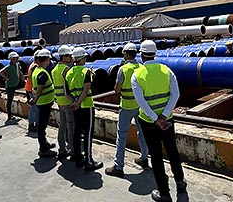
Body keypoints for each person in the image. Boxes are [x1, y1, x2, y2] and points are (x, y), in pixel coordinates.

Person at [132, 40, 187, 202]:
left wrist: (155, 119)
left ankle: (164, 193)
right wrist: (164, 115)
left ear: (142, 55)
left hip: (148, 123)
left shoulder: (137, 75)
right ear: (154, 53)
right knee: (172, 151)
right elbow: (175, 95)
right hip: (167, 121)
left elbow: (141, 102)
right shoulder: (167, 70)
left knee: (156, 156)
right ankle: (180, 182)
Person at [105, 42, 150, 177]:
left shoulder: (123, 69)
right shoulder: (142, 67)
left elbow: (117, 89)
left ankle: (118, 166)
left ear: (125, 54)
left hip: (126, 106)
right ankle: (144, 159)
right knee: (142, 133)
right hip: (140, 106)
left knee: (122, 136)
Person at [65, 46, 103, 171]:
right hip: (86, 106)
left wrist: (74, 103)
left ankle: (78, 158)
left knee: (77, 132)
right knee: (88, 133)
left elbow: (67, 93)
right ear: (82, 59)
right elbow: (86, 89)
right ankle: (88, 160)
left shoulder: (68, 73)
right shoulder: (86, 71)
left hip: (76, 107)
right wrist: (79, 102)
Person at [29, 48, 58, 157]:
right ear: (43, 60)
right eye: (48, 60)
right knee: (41, 126)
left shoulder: (36, 70)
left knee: (42, 126)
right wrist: (34, 100)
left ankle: (45, 144)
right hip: (44, 102)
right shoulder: (42, 73)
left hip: (43, 102)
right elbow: (40, 89)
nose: (49, 62)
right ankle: (43, 149)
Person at [51, 45, 75, 159]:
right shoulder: (66, 69)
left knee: (62, 126)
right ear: (64, 57)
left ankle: (61, 149)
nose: (71, 58)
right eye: (69, 56)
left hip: (59, 101)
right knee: (71, 126)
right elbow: (70, 86)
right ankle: (71, 148)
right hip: (67, 101)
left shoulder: (54, 69)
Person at [0, 51, 26, 124]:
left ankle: (10, 116)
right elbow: (1, 72)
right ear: (11, 59)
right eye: (15, 58)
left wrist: (23, 79)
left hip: (14, 84)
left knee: (11, 99)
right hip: (10, 86)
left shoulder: (17, 64)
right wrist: (6, 77)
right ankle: (9, 117)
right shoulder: (9, 66)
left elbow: (19, 72)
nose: (17, 59)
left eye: (17, 58)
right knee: (9, 101)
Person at [24, 52, 39, 133]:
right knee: (34, 108)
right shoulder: (35, 66)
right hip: (31, 89)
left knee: (34, 108)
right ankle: (31, 125)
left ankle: (34, 124)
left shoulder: (33, 64)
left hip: (29, 88)